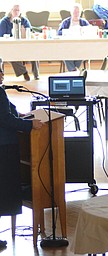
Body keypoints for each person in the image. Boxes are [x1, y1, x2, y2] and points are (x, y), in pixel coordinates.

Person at [0, 65, 43, 249]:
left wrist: (21, 115)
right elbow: (5, 120)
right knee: (3, 190)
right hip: (4, 146)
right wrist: (29, 125)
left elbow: (9, 113)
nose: (2, 75)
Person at [0, 4, 39, 80]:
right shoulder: (4, 22)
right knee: (12, 56)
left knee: (35, 52)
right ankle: (24, 72)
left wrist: (25, 32)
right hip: (10, 47)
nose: (16, 12)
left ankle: (36, 75)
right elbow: (1, 36)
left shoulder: (24, 20)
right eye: (15, 10)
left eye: (18, 10)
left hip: (24, 45)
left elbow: (29, 32)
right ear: (11, 11)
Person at [57, 3, 90, 71]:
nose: (76, 14)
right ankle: (74, 70)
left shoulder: (84, 22)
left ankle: (73, 70)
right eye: (74, 12)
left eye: (78, 12)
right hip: (68, 46)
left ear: (80, 13)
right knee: (64, 54)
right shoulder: (66, 22)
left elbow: (89, 32)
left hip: (80, 46)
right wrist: (68, 32)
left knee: (82, 53)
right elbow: (59, 33)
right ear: (71, 12)